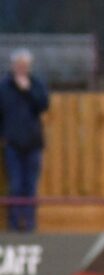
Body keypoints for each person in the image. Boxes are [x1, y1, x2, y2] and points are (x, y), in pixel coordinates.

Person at [0, 48, 49, 232]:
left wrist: (27, 90)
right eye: (18, 65)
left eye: (25, 65)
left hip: (33, 144)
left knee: (30, 187)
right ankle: (13, 227)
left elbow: (44, 104)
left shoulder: (35, 84)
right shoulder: (4, 87)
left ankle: (29, 227)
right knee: (15, 185)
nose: (21, 68)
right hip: (12, 144)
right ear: (13, 66)